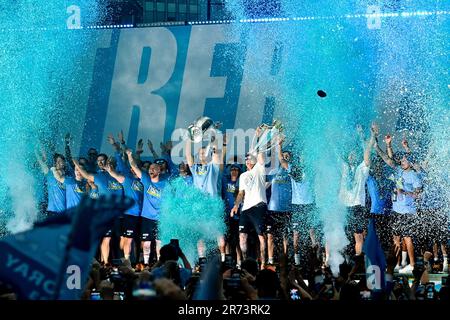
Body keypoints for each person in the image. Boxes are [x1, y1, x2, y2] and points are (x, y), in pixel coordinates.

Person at [374, 135, 422, 274]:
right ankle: (398, 263)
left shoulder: (413, 175)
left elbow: (417, 194)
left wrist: (405, 192)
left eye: (405, 160)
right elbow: (389, 159)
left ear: (410, 163)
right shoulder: (399, 170)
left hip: (407, 211)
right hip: (396, 210)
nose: (402, 161)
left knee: (407, 238)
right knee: (396, 238)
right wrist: (383, 145)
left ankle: (412, 265)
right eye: (401, 160)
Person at [73, 154, 124, 265]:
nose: (100, 162)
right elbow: (86, 175)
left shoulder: (117, 174)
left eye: (103, 160)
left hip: (119, 214)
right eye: (98, 160)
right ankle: (104, 263)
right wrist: (76, 164)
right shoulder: (97, 176)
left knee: (118, 239)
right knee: (105, 238)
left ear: (107, 161)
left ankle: (118, 262)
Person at [230, 127, 269, 269]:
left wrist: (258, 137)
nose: (247, 161)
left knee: (261, 237)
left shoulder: (259, 168)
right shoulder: (242, 175)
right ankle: (246, 263)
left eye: (250, 159)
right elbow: (241, 193)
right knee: (242, 238)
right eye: (246, 159)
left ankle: (263, 263)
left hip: (259, 206)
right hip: (245, 209)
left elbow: (260, 155)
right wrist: (235, 205)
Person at [339, 123, 375, 257]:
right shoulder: (344, 168)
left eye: (355, 155)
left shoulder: (362, 169)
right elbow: (334, 150)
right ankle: (343, 263)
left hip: (356, 207)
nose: (352, 156)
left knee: (358, 237)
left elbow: (367, 152)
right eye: (350, 155)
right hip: (343, 207)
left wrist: (370, 136)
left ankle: (359, 262)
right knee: (340, 236)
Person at [127, 149, 166, 265]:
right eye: (150, 169)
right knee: (146, 243)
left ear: (159, 171)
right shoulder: (145, 179)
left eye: (154, 168)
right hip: (147, 218)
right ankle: (146, 264)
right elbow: (134, 166)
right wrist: (129, 155)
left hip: (161, 218)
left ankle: (159, 263)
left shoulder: (166, 184)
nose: (151, 170)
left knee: (159, 242)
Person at [266, 139, 292, 265]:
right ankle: (270, 260)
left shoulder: (291, 172)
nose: (285, 157)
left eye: (288, 156)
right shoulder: (272, 172)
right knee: (270, 236)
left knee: (285, 236)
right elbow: (264, 186)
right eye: (283, 155)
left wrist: (279, 147)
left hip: (287, 209)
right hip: (273, 209)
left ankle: (285, 259)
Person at [221, 163, 243, 266]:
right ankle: (227, 262)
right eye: (232, 169)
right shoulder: (226, 181)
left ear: (239, 172)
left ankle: (239, 262)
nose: (234, 171)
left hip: (238, 215)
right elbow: (221, 170)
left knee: (238, 239)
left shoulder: (241, 183)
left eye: (236, 169)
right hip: (227, 214)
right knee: (227, 240)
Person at [35, 148, 67, 217]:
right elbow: (41, 162)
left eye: (60, 161)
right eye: (56, 161)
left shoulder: (68, 178)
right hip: (51, 212)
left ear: (64, 163)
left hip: (63, 212)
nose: (58, 163)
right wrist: (36, 151)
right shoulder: (50, 174)